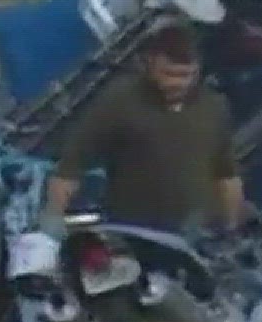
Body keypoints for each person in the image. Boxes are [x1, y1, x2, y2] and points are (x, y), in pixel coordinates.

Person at [42, 19, 244, 236]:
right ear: (150, 63)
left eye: (186, 76)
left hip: (197, 235)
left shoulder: (213, 106)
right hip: (133, 232)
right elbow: (72, 166)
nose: (177, 83)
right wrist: (53, 219)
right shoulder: (120, 100)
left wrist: (232, 226)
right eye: (169, 74)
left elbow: (226, 174)